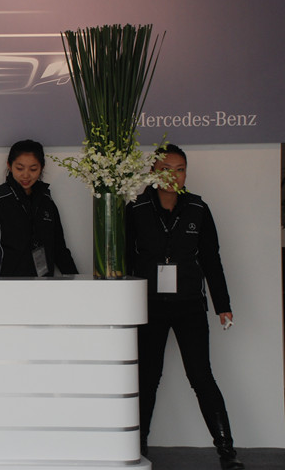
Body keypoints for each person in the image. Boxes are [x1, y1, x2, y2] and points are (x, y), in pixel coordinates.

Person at [126, 144, 244, 470]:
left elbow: (211, 259)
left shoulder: (198, 208)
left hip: (189, 304)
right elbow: (124, 259)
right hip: (149, 305)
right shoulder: (135, 208)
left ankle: (227, 451)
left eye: (180, 170)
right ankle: (138, 446)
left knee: (201, 376)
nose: (173, 176)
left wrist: (223, 305)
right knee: (147, 377)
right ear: (153, 173)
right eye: (166, 169)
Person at [0, 139, 78, 277]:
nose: (26, 175)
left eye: (33, 169)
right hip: (3, 283)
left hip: (41, 283)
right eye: (20, 168)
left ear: (42, 168)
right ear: (9, 166)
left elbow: (59, 248)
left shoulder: (46, 200)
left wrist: (78, 282)